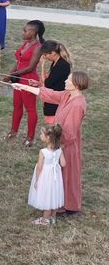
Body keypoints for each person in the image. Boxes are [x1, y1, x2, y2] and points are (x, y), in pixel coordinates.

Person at [12, 71, 88, 216]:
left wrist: (54, 145)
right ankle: (56, 202)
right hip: (58, 142)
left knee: (67, 174)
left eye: (68, 79)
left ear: (76, 85)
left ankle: (69, 206)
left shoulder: (78, 104)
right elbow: (50, 94)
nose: (65, 81)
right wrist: (23, 87)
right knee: (58, 175)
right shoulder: (67, 95)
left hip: (66, 146)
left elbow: (70, 133)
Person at [2, 20, 45, 147]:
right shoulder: (26, 43)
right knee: (17, 106)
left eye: (25, 31)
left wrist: (13, 75)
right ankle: (13, 131)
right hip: (18, 78)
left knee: (30, 109)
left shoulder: (37, 48)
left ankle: (30, 137)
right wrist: (10, 74)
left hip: (28, 80)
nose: (23, 33)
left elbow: (30, 67)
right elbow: (18, 61)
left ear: (33, 32)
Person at [28, 124, 65, 226]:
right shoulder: (59, 149)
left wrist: (37, 180)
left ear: (48, 137)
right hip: (56, 176)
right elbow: (63, 164)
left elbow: (39, 167)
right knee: (54, 196)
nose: (40, 135)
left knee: (48, 197)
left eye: (41, 134)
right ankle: (53, 218)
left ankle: (45, 220)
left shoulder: (43, 152)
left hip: (46, 176)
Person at [36, 41, 72, 124]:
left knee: (54, 125)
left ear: (53, 53)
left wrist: (42, 66)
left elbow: (47, 84)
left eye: (45, 54)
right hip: (53, 97)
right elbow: (49, 79)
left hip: (56, 101)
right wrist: (38, 83)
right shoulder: (56, 62)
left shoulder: (62, 65)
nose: (44, 57)